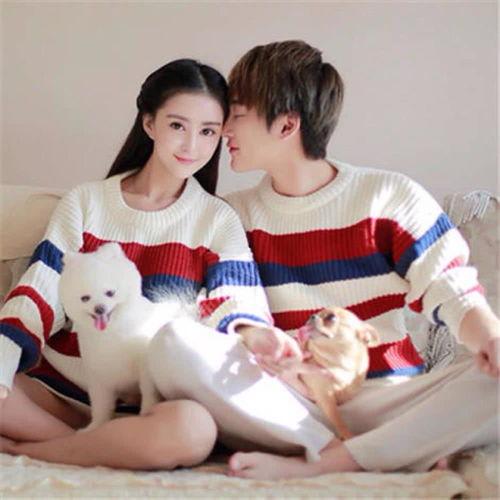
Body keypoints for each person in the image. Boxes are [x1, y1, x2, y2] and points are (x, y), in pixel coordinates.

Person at [147, 41, 499, 479]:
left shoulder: (388, 195)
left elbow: (451, 287)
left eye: (236, 115)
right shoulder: (231, 215)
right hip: (289, 407)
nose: (223, 131)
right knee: (172, 342)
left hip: (393, 403)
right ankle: (360, 450)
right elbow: (220, 308)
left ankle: (341, 459)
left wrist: (489, 337)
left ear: (286, 124)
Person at [0, 59, 274, 469]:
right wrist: (3, 361)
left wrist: (261, 340)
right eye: (177, 125)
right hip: (61, 396)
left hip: (151, 407)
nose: (191, 145)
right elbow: (42, 288)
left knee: (192, 431)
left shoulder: (217, 219)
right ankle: (92, 445)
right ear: (149, 124)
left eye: (208, 131)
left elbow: (236, 305)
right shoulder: (87, 202)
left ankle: (34, 448)